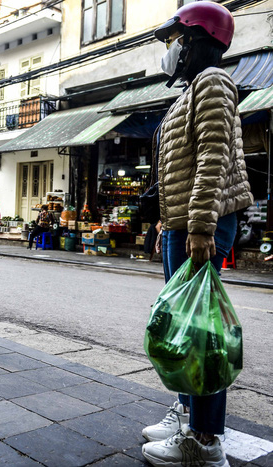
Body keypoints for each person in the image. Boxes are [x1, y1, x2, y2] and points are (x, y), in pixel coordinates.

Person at [141, 3, 253, 466]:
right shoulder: (190, 90)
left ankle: (205, 440)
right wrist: (168, 218)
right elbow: (182, 164)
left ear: (197, 41)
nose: (171, 51)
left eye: (176, 41)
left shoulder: (212, 82)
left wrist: (203, 225)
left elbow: (213, 155)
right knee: (183, 326)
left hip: (202, 223)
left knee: (202, 333)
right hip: (184, 221)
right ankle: (188, 412)